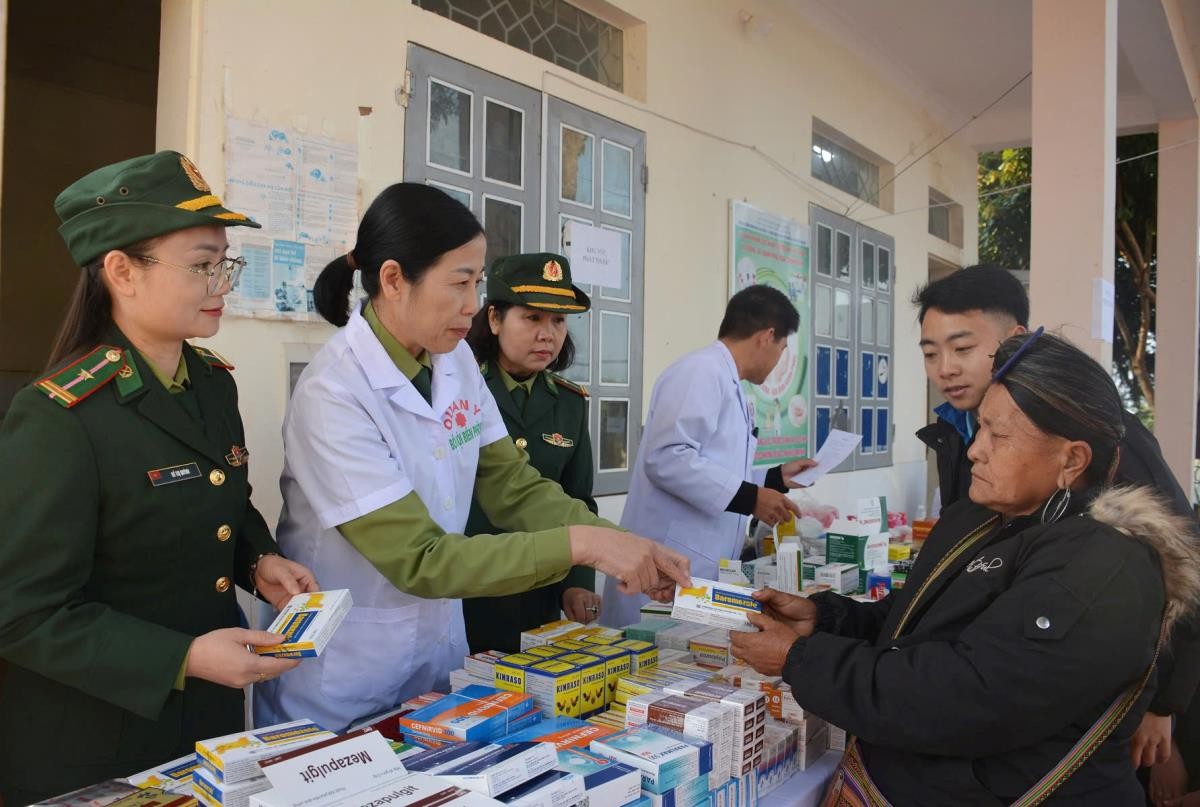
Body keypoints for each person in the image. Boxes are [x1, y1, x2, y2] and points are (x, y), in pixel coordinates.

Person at [253, 184, 690, 732]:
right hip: (345, 669)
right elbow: (421, 559)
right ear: (393, 280)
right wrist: (583, 543)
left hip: (435, 654)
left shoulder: (453, 360)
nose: (474, 306)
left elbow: (512, 484)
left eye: (478, 283)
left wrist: (626, 545)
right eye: (459, 284)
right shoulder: (334, 394)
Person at [731, 330, 1200, 805]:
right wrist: (826, 620)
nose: (976, 449)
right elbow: (922, 620)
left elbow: (966, 696)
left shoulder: (1103, 570)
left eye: (999, 436)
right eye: (980, 427)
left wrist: (798, 659)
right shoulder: (990, 515)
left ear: (1071, 460)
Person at [0, 152, 319, 802]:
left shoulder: (210, 384)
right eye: (202, 265)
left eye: (224, 263)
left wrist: (260, 559)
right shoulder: (60, 416)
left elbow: (222, 498)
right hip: (98, 741)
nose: (221, 283)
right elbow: (24, 614)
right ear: (121, 271)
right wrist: (185, 657)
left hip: (205, 726)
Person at [914, 265, 1200, 776]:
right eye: (931, 352)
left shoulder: (1101, 435)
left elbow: (1182, 564)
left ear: (1015, 340)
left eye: (962, 348)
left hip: (1112, 704)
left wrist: (1163, 707)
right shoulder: (956, 430)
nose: (945, 369)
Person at [600, 285, 815, 629]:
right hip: (662, 572)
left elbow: (716, 468)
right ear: (767, 337)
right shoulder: (701, 371)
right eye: (783, 349)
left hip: (693, 569)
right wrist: (751, 498)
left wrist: (774, 478)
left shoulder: (731, 385)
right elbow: (667, 458)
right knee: (645, 665)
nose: (779, 360)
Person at [462, 252, 601, 653]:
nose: (548, 334)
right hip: (470, 589)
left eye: (558, 321)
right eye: (532, 318)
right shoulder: (461, 391)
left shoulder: (570, 403)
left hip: (541, 594)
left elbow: (579, 500)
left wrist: (577, 583)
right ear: (493, 319)